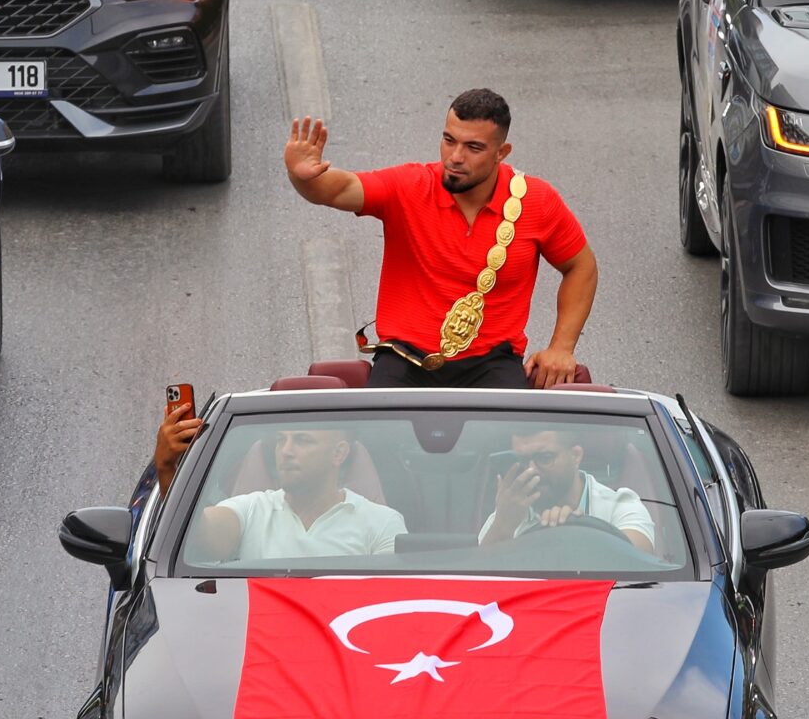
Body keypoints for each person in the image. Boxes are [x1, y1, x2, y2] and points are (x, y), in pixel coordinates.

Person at [284, 90, 598, 389]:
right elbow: (338, 189)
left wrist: (561, 347)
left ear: (501, 153)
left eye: (473, 148)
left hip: (492, 365)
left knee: (511, 444)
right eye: (449, 141)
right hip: (403, 361)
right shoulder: (410, 185)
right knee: (378, 441)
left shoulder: (537, 201)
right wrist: (303, 177)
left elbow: (581, 267)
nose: (455, 157)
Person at [194, 427, 406, 561]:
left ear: (338, 453)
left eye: (302, 440)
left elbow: (389, 603)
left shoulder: (382, 523)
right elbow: (196, 537)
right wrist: (171, 470)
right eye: (280, 440)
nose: (285, 451)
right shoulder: (251, 509)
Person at [480, 429, 655, 552]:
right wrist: (503, 526)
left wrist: (572, 535)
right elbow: (478, 582)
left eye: (545, 458)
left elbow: (639, 559)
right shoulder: (509, 513)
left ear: (576, 456)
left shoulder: (619, 505)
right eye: (522, 460)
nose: (530, 470)